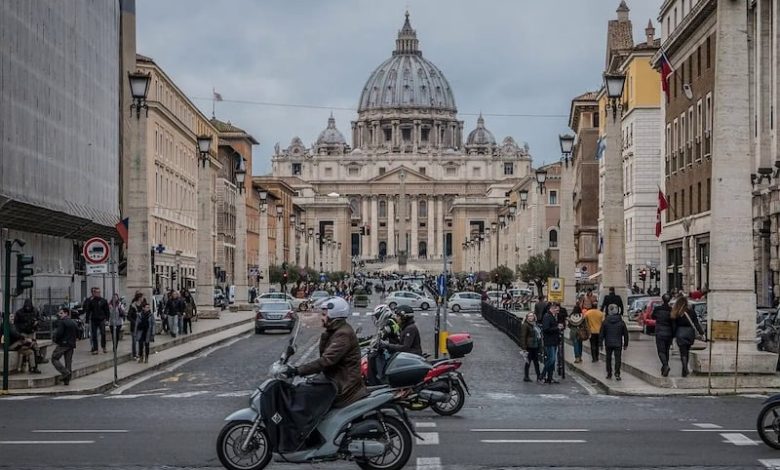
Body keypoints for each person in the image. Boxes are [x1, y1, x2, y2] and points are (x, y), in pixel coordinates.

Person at [284, 297, 368, 408]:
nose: (321, 318)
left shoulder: (342, 334)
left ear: (334, 317)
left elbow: (326, 361)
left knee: (304, 396)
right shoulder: (335, 331)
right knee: (304, 389)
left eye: (324, 315)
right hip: (335, 379)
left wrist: (297, 370)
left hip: (343, 385)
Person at [671, 296, 704, 377]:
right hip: (689, 333)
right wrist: (701, 332)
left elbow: (673, 325)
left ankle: (685, 368)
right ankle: (684, 369)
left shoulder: (676, 312)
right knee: (687, 350)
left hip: (680, 332)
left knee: (683, 352)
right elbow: (696, 323)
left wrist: (673, 335)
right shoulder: (691, 311)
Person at [599, 304, 629, 380]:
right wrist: (625, 344)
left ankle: (609, 373)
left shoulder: (605, 322)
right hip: (618, 343)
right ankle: (617, 373)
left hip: (608, 343)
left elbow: (601, 333)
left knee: (608, 358)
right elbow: (625, 334)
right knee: (618, 359)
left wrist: (600, 343)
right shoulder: (621, 322)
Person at [51, 307, 78, 385]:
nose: (59, 315)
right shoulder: (73, 322)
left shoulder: (62, 322)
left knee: (54, 358)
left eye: (61, 313)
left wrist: (56, 340)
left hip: (63, 343)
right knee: (68, 362)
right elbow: (79, 331)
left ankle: (65, 373)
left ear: (66, 313)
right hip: (71, 344)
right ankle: (67, 380)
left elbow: (59, 333)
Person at [651, 294, 674, 377]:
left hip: (660, 332)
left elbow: (652, 316)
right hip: (669, 333)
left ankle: (665, 365)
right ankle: (664, 367)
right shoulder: (671, 310)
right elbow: (673, 322)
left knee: (661, 351)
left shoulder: (658, 309)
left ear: (662, 300)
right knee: (666, 351)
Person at [84, 287, 110, 354]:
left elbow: (107, 311)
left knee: (103, 333)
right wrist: (86, 321)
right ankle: (95, 349)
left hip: (101, 319)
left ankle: (103, 346)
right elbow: (88, 311)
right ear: (94, 293)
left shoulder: (103, 300)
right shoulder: (91, 301)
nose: (98, 293)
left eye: (99, 292)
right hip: (94, 320)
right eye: (96, 292)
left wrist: (107, 319)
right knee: (94, 335)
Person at [519, 312, 542, 383]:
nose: (531, 317)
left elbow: (538, 336)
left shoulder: (535, 325)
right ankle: (526, 376)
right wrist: (524, 348)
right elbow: (523, 337)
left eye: (532, 316)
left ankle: (538, 376)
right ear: (527, 317)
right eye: (529, 316)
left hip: (535, 345)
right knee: (528, 362)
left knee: (536, 362)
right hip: (529, 346)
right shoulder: (525, 325)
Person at [540, 305, 560, 384]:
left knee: (553, 360)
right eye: (556, 310)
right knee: (551, 359)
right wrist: (557, 328)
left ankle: (550, 377)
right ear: (552, 309)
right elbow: (546, 329)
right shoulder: (547, 316)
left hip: (554, 341)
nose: (557, 311)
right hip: (549, 341)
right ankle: (542, 375)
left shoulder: (552, 316)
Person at [127, 291, 144, 359]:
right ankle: (134, 354)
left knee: (140, 340)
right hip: (134, 327)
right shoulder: (133, 306)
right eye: (142, 297)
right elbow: (128, 316)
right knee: (134, 341)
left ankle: (140, 353)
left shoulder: (143, 306)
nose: (143, 298)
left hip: (141, 326)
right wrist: (134, 322)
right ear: (139, 298)